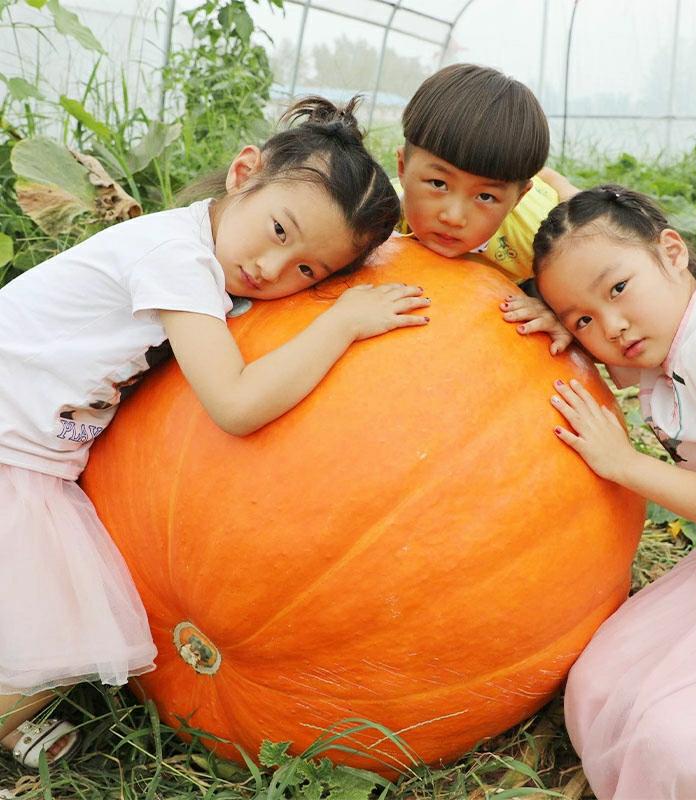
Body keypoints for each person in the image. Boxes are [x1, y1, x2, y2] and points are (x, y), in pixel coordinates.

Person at [0, 96, 429, 768]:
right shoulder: (174, 256)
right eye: (280, 231)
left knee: (52, 627)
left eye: (309, 271)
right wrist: (339, 322)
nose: (274, 268)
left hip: (37, 447)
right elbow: (234, 403)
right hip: (9, 442)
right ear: (243, 172)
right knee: (63, 624)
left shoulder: (207, 257)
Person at [522, 184, 696, 799]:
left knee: (679, 746)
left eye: (617, 288)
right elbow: (621, 354)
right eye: (584, 319)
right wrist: (562, 319)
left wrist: (625, 465)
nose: (612, 327)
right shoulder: (675, 331)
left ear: (672, 251)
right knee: (597, 687)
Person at [392, 63, 579, 290]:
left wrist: (551, 308)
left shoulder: (540, 243)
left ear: (517, 200)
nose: (453, 217)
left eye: (485, 197)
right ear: (402, 168)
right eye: (438, 183)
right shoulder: (377, 214)